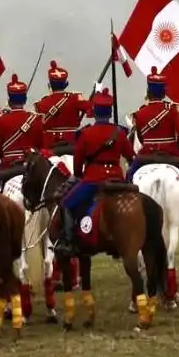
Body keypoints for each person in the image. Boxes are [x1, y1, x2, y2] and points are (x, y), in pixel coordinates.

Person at [55, 89, 134, 256]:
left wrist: (78, 174)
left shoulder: (86, 133)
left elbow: (77, 161)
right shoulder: (119, 133)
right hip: (116, 178)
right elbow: (130, 156)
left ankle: (69, 242)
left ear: (95, 112)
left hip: (93, 179)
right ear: (110, 112)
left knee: (66, 204)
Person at [128, 70, 179, 185]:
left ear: (148, 92)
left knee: (129, 176)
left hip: (147, 153)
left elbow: (140, 137)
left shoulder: (139, 114)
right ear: (164, 93)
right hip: (171, 152)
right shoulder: (171, 110)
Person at [0, 76, 43, 190]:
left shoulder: (1, 120)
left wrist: (5, 158)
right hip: (31, 163)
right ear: (25, 100)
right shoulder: (36, 119)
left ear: (9, 101)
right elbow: (40, 145)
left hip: (9, 164)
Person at [32, 62, 88, 154]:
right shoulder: (75, 98)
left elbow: (37, 129)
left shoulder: (40, 104)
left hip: (49, 146)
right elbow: (91, 111)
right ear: (66, 84)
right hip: (72, 143)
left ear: (49, 84)